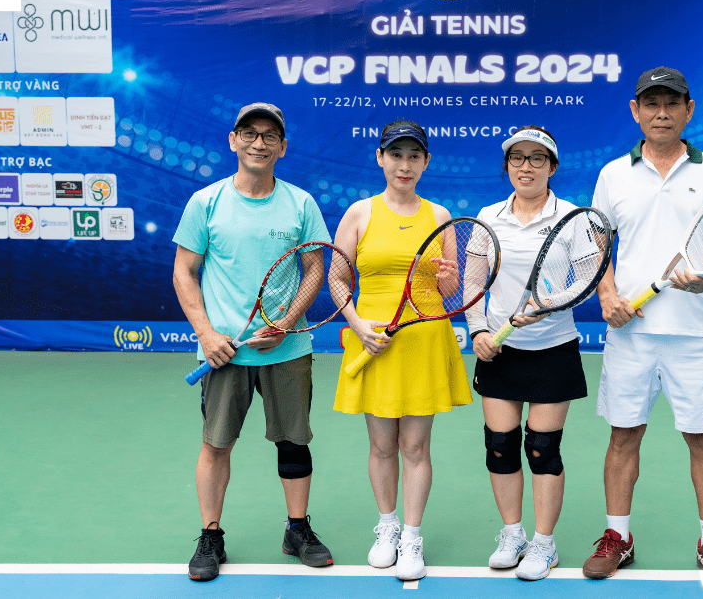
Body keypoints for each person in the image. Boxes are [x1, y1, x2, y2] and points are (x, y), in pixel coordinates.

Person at [587, 67, 703, 583]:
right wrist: (608, 295)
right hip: (630, 334)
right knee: (623, 436)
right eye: (651, 103)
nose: (661, 113)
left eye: (672, 103)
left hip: (695, 333)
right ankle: (618, 537)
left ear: (688, 110)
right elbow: (598, 247)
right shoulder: (613, 175)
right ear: (636, 111)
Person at [172, 103, 334, 581]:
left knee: (293, 442)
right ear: (233, 140)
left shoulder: (301, 204)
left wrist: (286, 321)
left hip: (287, 351)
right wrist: (206, 334)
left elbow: (314, 270)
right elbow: (184, 271)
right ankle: (211, 535)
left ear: (282, 147)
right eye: (249, 133)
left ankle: (297, 529)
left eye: (269, 136)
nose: (258, 143)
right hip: (223, 353)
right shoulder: (206, 202)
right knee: (216, 445)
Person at [332, 120, 472, 582]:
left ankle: (412, 536)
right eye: (396, 155)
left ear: (426, 162)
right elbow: (337, 278)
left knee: (414, 445)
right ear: (380, 158)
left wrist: (447, 276)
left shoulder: (439, 215)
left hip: (423, 341)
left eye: (414, 156)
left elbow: (449, 288)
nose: (404, 165)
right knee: (381, 444)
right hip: (373, 340)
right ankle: (387, 527)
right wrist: (358, 326)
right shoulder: (359, 213)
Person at [463, 126, 593, 581]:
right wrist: (478, 329)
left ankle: (543, 544)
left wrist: (548, 305)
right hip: (499, 350)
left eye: (538, 158)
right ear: (507, 167)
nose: (526, 166)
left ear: (552, 167)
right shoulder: (489, 216)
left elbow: (585, 281)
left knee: (542, 450)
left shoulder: (572, 217)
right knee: (500, 448)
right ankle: (512, 534)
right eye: (517, 158)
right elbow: (474, 281)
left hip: (553, 348)